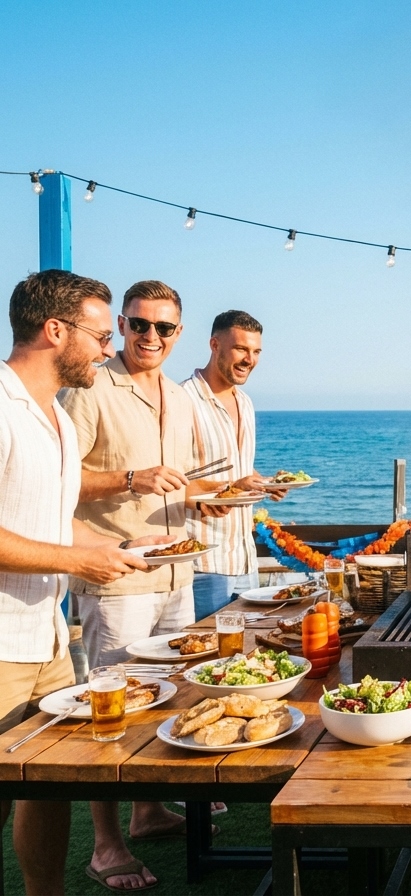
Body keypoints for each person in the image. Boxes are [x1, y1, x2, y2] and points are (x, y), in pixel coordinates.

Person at [0, 270, 160, 894]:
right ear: (54, 330)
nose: (105, 347)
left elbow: (53, 521)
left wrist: (119, 547)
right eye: (98, 335)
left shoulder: (60, 422)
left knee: (52, 782)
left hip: (47, 637)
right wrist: (77, 563)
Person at [61, 279, 222, 891]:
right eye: (139, 325)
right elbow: (62, 479)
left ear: (180, 334)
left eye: (164, 328)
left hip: (176, 572)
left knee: (173, 697)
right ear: (122, 326)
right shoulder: (92, 387)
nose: (150, 337)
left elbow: (177, 483)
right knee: (110, 711)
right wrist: (130, 478)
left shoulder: (180, 398)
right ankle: (105, 846)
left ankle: (149, 809)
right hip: (118, 573)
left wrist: (217, 498)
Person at [183, 310, 282, 618]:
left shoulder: (246, 402)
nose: (248, 359)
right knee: (205, 658)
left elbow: (237, 470)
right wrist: (229, 488)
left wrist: (264, 482)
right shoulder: (181, 399)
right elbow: (168, 479)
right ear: (215, 345)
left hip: (244, 559)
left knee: (242, 657)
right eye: (241, 349)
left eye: (256, 352)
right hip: (204, 562)